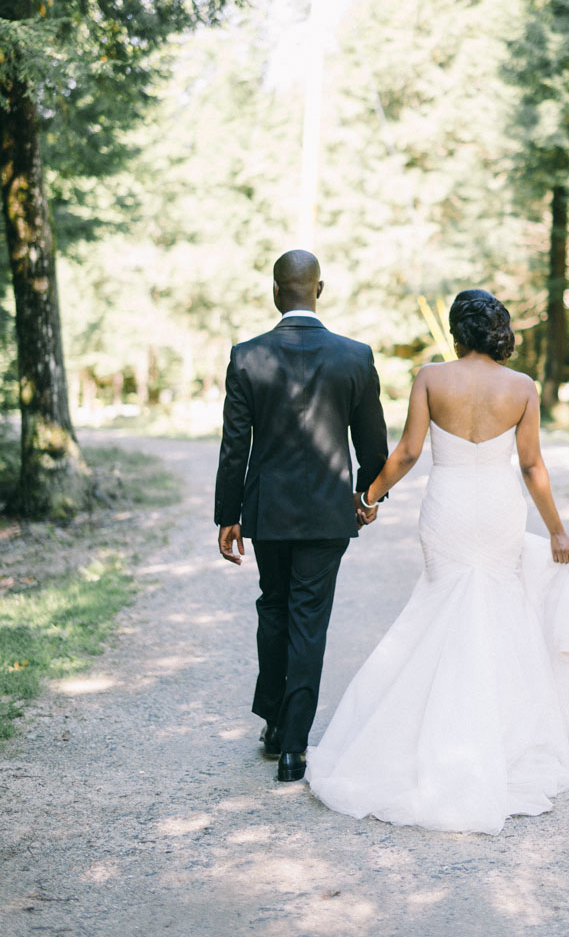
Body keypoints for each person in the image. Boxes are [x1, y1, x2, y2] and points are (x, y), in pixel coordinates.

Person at [307, 288, 569, 834]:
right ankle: (500, 740)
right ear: (500, 331)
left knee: (439, 608)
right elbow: (532, 466)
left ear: (456, 331)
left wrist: (368, 497)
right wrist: (557, 531)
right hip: (497, 513)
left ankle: (427, 737)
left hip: (446, 509)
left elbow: (406, 453)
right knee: (498, 612)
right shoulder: (522, 388)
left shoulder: (430, 377)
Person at [214, 250, 388, 782]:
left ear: (274, 291)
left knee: (275, 608)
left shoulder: (247, 356)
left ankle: (272, 723)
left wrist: (227, 514)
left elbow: (234, 445)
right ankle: (293, 747)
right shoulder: (354, 357)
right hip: (328, 513)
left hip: (268, 512)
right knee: (309, 622)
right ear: (320, 289)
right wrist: (368, 495)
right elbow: (372, 441)